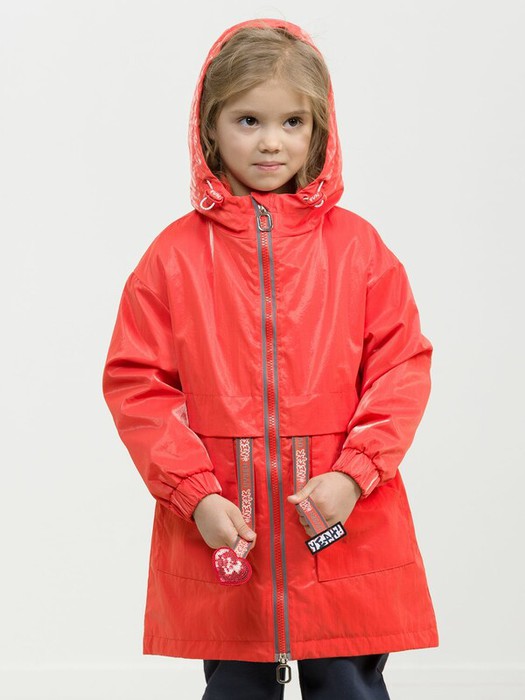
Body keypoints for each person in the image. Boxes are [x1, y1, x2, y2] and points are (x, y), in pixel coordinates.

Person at [102, 17, 438, 700]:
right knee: (235, 684)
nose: (270, 141)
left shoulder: (358, 250)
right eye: (248, 120)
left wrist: (354, 475)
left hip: (340, 519)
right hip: (230, 525)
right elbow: (138, 385)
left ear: (319, 130)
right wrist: (196, 495)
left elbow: (400, 367)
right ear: (210, 127)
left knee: (347, 681)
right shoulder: (172, 258)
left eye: (292, 122)